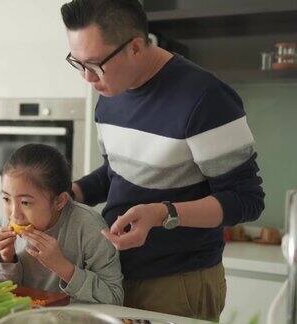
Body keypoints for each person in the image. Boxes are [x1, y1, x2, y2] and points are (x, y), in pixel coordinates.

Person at [60, 0, 264, 320]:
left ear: (136, 47)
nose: (87, 78)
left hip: (178, 283)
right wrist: (70, 193)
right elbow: (118, 172)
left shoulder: (204, 99)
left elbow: (247, 200)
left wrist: (163, 213)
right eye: (78, 63)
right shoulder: (110, 95)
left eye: (95, 64)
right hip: (113, 274)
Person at [0, 143, 123, 304]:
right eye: (6, 199)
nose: (14, 214)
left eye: (25, 202)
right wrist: (6, 259)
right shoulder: (7, 221)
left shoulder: (89, 226)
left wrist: (63, 268)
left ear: (60, 201)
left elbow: (114, 298)